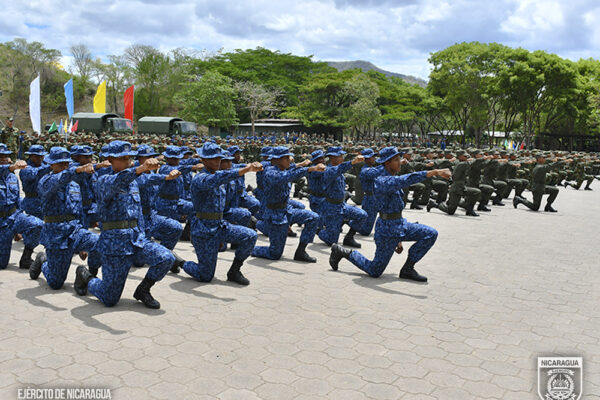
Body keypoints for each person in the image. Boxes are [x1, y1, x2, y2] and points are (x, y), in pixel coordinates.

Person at [74, 140, 175, 309]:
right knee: (109, 298)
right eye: (124, 158)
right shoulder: (104, 181)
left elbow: (138, 211)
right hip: (115, 245)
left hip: (136, 240)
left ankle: (143, 290)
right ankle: (86, 276)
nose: (128, 161)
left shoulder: (134, 181)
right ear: (111, 159)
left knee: (166, 258)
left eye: (130, 158)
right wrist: (140, 168)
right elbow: (119, 181)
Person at [329, 147, 451, 282]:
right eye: (396, 160)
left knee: (430, 234)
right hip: (387, 231)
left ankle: (408, 269)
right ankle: (343, 252)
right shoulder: (382, 181)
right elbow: (405, 180)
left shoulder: (390, 177)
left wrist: (399, 238)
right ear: (387, 163)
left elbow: (396, 210)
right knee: (375, 270)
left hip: (398, 225)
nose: (400, 163)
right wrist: (434, 172)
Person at [182, 142, 262, 285]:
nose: (218, 161)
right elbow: (219, 178)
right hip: (203, 230)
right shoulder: (201, 179)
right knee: (205, 276)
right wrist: (246, 169)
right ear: (204, 160)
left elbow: (228, 171)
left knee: (250, 236)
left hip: (220, 225)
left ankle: (234, 271)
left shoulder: (218, 174)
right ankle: (180, 262)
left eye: (219, 158)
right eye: (214, 158)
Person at [29, 147, 102, 289]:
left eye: (66, 164)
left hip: (75, 230)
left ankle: (87, 275)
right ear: (51, 164)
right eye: (60, 163)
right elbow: (60, 180)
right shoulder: (46, 182)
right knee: (55, 283)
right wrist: (77, 170)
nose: (64, 166)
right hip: (56, 234)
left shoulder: (74, 185)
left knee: (101, 243)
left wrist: (83, 242)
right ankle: (43, 260)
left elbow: (79, 212)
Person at [251, 146, 325, 263]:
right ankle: (251, 248)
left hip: (287, 210)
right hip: (275, 215)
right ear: (277, 160)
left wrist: (305, 166)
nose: (289, 159)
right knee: (275, 254)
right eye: (286, 158)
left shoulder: (284, 169)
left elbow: (292, 170)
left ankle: (301, 251)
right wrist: (310, 169)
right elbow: (287, 176)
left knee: (313, 217)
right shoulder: (270, 172)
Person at [134, 144, 185, 272]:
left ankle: (165, 255)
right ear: (139, 159)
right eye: (146, 157)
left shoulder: (153, 172)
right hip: (137, 220)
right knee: (139, 262)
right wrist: (166, 177)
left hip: (152, 215)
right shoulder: (134, 174)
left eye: (152, 156)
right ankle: (164, 256)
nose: (150, 159)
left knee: (176, 227)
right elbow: (147, 180)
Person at [0, 143, 43, 271]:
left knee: (38, 224)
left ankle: (26, 258)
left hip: (13, 216)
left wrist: (18, 229)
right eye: (0, 156)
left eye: (5, 156)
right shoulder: (10, 170)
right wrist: (12, 166)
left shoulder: (12, 177)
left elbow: (16, 199)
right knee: (2, 264)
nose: (4, 159)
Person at [318, 146, 367, 248]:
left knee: (362, 215)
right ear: (332, 157)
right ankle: (318, 230)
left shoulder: (339, 171)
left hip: (342, 205)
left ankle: (349, 237)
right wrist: (352, 162)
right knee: (332, 241)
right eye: (340, 156)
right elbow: (339, 168)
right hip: (332, 208)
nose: (342, 158)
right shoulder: (329, 170)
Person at [356, 148, 384, 236]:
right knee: (366, 231)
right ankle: (349, 221)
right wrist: (387, 164)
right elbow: (374, 173)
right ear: (367, 158)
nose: (374, 159)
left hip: (377, 197)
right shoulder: (365, 170)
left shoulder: (372, 168)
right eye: (372, 157)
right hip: (370, 199)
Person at [20, 145, 51, 219]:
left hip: (45, 201)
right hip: (32, 202)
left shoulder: (44, 164)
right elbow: (34, 173)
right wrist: (51, 167)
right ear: (31, 156)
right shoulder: (25, 167)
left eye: (41, 156)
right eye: (37, 156)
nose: (40, 158)